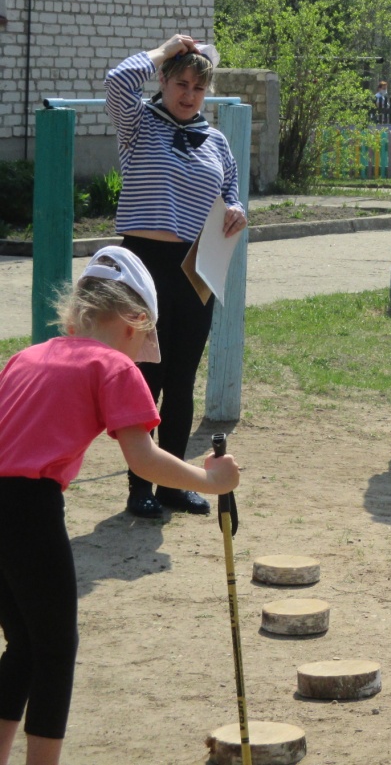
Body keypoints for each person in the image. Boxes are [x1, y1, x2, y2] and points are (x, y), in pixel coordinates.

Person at [0, 247, 241, 765]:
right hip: (28, 507)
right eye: (147, 337)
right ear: (135, 322)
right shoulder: (112, 365)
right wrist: (209, 479)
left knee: (23, 644)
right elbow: (144, 459)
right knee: (55, 650)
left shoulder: (28, 355)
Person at [105, 35, 247, 519]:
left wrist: (236, 209)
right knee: (146, 378)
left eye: (198, 88)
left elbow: (230, 188)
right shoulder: (139, 123)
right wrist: (164, 50)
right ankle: (139, 486)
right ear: (163, 81)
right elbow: (116, 81)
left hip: (195, 269)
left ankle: (171, 485)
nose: (188, 94)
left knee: (183, 378)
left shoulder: (216, 139)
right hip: (144, 266)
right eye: (180, 83)